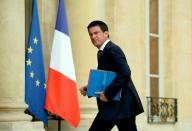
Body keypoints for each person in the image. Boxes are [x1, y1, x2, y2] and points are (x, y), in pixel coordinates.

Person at [80, 20, 144, 131]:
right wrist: (89, 87)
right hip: (113, 106)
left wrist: (108, 94)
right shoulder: (102, 52)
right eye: (90, 34)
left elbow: (125, 73)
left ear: (106, 33)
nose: (93, 37)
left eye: (96, 33)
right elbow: (107, 77)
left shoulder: (112, 49)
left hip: (123, 106)